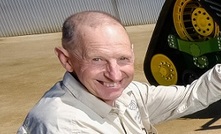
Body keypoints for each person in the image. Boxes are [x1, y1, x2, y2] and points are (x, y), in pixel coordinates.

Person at [17, 11, 221, 134]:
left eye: (123, 59)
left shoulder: (128, 93)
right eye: (97, 60)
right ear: (66, 60)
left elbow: (189, 97)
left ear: (132, 53)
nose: (114, 75)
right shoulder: (64, 126)